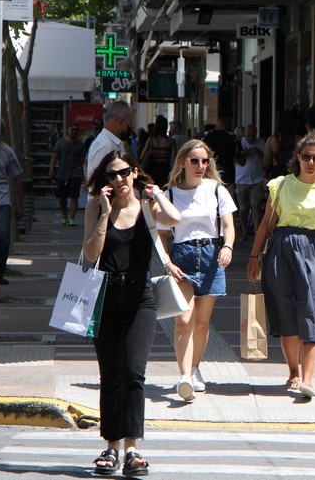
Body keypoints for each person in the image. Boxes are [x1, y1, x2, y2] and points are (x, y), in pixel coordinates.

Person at [82, 150, 181, 477]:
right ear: (105, 180)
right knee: (110, 375)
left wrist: (157, 194)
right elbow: (91, 252)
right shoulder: (97, 206)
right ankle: (111, 447)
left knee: (134, 373)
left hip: (141, 297)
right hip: (106, 296)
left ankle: (133, 449)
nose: (119, 179)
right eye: (112, 175)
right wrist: (104, 215)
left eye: (124, 172)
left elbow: (174, 219)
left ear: (135, 172)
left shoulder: (148, 206)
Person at [246, 131, 315, 398]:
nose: (311, 162)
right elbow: (266, 225)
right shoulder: (281, 184)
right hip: (282, 251)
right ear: (298, 157)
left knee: (314, 313)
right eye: (306, 156)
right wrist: (253, 256)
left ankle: (308, 378)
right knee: (286, 316)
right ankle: (293, 372)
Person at [158, 140, 237, 402]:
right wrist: (167, 261)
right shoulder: (169, 194)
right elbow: (161, 235)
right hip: (183, 256)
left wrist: (227, 245)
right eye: (195, 160)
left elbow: (228, 224)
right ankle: (183, 376)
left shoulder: (216, 190)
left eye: (205, 161)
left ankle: (194, 369)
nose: (201, 166)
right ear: (183, 162)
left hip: (212, 255)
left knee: (202, 324)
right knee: (183, 320)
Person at [0, 123, 24, 285]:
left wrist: (20, 204)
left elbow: (18, 178)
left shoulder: (7, 151)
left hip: (2, 200)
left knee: (2, 235)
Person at [86, 100, 134, 181]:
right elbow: (100, 180)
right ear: (121, 122)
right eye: (131, 121)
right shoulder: (106, 146)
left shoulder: (112, 143)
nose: (132, 125)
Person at [49, 123, 85, 226]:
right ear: (68, 130)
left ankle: (72, 218)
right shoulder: (60, 143)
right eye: (72, 129)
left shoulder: (80, 145)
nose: (74, 132)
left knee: (74, 196)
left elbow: (82, 161)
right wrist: (51, 169)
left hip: (75, 173)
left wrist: (83, 175)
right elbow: (55, 156)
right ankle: (64, 212)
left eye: (76, 130)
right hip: (62, 173)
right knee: (62, 196)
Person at [235, 124, 265, 241]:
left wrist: (258, 151)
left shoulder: (261, 143)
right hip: (242, 180)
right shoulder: (239, 143)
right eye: (248, 136)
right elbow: (235, 158)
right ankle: (244, 231)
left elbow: (266, 158)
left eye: (253, 136)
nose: (251, 139)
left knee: (256, 206)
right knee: (243, 208)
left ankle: (257, 232)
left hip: (257, 180)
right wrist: (243, 153)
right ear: (244, 135)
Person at [203, 109, 237, 198]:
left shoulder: (206, 137)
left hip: (209, 175)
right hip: (228, 176)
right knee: (227, 205)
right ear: (229, 120)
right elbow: (242, 160)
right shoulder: (232, 138)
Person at [139, 114, 177, 187]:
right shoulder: (171, 141)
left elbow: (141, 157)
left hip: (153, 169)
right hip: (165, 169)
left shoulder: (151, 140)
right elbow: (174, 159)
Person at [263, 109, 298, 180]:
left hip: (278, 176)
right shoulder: (298, 139)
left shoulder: (272, 140)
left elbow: (266, 163)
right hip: (294, 175)